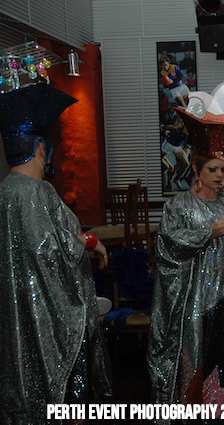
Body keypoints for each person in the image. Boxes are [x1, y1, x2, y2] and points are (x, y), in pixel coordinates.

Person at [0, 82, 112, 423]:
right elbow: (51, 251)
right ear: (39, 147)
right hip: (52, 326)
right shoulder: (36, 192)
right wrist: (90, 241)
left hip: (17, 324)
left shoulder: (6, 193)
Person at [147, 106, 224, 419]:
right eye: (213, 169)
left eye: (223, 169)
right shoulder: (179, 205)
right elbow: (167, 244)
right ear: (196, 169)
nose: (220, 175)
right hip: (195, 300)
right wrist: (208, 232)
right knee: (198, 357)